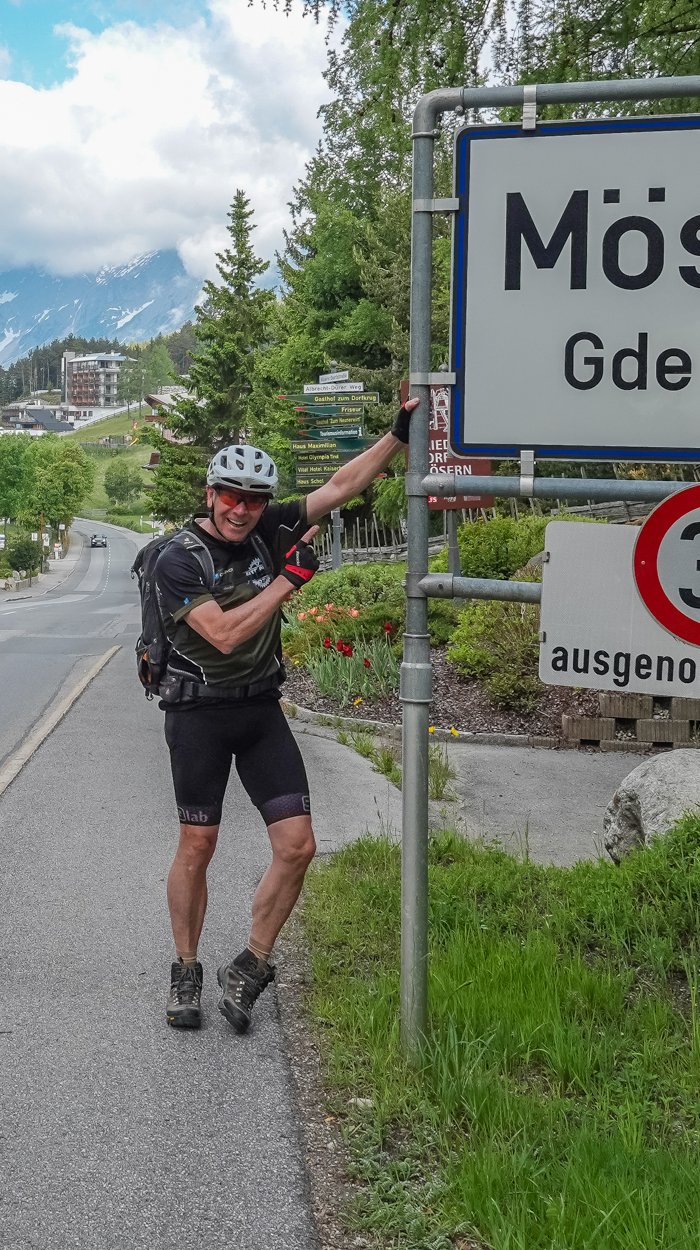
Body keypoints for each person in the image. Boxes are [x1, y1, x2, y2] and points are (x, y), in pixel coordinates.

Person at [157, 397, 418, 1033]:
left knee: (298, 846)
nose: (241, 509)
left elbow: (338, 487)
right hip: (197, 714)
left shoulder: (268, 526)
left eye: (254, 499)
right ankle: (186, 967)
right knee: (198, 844)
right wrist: (286, 583)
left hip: (259, 710)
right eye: (231, 496)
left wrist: (396, 436)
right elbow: (223, 635)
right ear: (210, 493)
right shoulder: (178, 558)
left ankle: (251, 964)